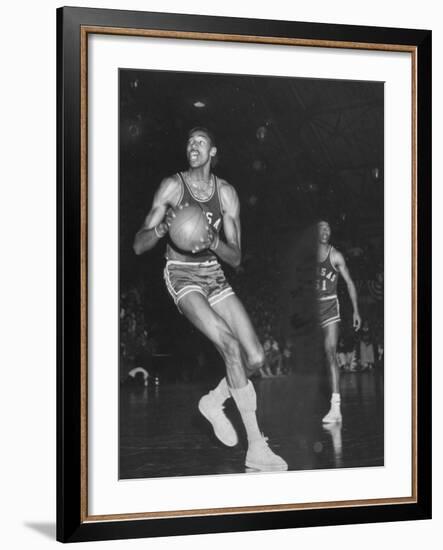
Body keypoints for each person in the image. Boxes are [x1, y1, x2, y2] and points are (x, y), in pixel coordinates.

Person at [133, 127, 287, 471]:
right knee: (231, 347)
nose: (193, 145)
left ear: (213, 151)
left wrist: (213, 240)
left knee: (257, 356)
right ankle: (257, 447)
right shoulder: (172, 187)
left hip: (214, 274)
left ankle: (214, 401)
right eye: (189, 140)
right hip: (181, 275)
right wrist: (161, 230)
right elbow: (138, 245)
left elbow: (236, 258)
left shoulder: (227, 194)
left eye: (200, 141)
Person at [316, 221, 361, 423]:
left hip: (329, 307)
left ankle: (336, 408)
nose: (325, 231)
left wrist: (356, 311)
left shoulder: (335, 255)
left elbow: (350, 282)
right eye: (321, 228)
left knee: (330, 352)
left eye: (328, 228)